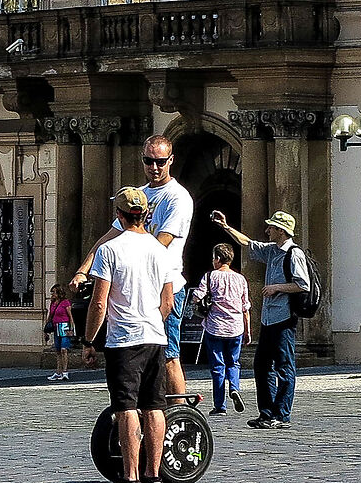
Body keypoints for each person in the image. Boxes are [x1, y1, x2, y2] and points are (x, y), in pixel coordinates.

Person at [79, 138, 192, 402]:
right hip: (137, 286)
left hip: (166, 286)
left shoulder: (178, 198)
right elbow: (108, 236)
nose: (154, 167)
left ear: (171, 161)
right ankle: (144, 407)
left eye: (160, 162)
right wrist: (82, 270)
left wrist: (119, 263)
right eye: (148, 161)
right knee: (139, 352)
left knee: (168, 354)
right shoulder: (138, 195)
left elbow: (161, 241)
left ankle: (179, 412)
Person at [88, 187, 177, 483]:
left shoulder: (110, 249)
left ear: (119, 214)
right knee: (155, 406)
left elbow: (99, 303)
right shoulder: (158, 249)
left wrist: (89, 340)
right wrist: (153, 320)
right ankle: (154, 477)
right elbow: (168, 300)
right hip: (155, 336)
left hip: (124, 339)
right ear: (145, 215)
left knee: (126, 407)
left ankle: (130, 478)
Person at [211, 208, 312, 429]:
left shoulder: (293, 254)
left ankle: (282, 414)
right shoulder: (272, 251)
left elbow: (303, 284)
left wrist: (276, 288)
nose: (267, 230)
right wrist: (225, 226)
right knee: (262, 365)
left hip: (283, 317)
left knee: (284, 367)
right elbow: (248, 243)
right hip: (268, 318)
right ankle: (266, 413)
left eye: (272, 228)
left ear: (282, 231)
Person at [197, 242, 248, 414]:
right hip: (236, 327)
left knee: (218, 367)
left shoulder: (210, 276)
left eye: (214, 258)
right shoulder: (240, 279)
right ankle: (234, 388)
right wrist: (248, 330)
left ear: (218, 259)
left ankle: (220, 406)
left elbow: (197, 296)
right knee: (233, 363)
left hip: (215, 327)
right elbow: (245, 308)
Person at [46, 283, 78, 381]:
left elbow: (70, 317)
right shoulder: (52, 303)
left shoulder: (65, 303)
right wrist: (46, 329)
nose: (52, 295)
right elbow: (50, 316)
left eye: (54, 293)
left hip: (64, 327)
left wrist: (71, 329)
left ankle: (65, 371)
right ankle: (58, 371)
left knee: (64, 349)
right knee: (58, 350)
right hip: (56, 327)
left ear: (59, 293)